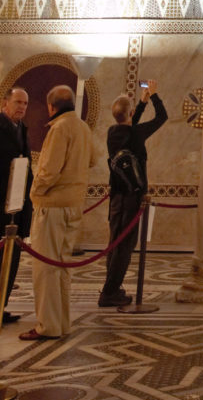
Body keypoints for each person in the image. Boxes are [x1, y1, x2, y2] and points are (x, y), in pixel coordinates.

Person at [20, 85, 97, 341]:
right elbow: (93, 159)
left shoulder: (60, 128)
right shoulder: (82, 127)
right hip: (74, 205)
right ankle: (62, 323)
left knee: (46, 269)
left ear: (51, 106)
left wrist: (34, 192)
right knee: (61, 267)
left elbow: (49, 171)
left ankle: (48, 326)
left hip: (52, 207)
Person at [99, 81, 167, 308]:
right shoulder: (136, 134)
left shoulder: (113, 133)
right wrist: (155, 96)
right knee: (124, 246)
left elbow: (130, 124)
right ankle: (109, 293)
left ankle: (112, 287)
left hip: (116, 196)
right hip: (133, 197)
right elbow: (162, 117)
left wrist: (141, 103)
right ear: (128, 113)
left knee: (114, 242)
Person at [0, 86, 31, 323]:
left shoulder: (22, 129)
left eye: (25, 104)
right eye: (18, 102)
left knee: (12, 259)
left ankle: (2, 304)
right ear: (5, 103)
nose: (21, 107)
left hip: (17, 205)